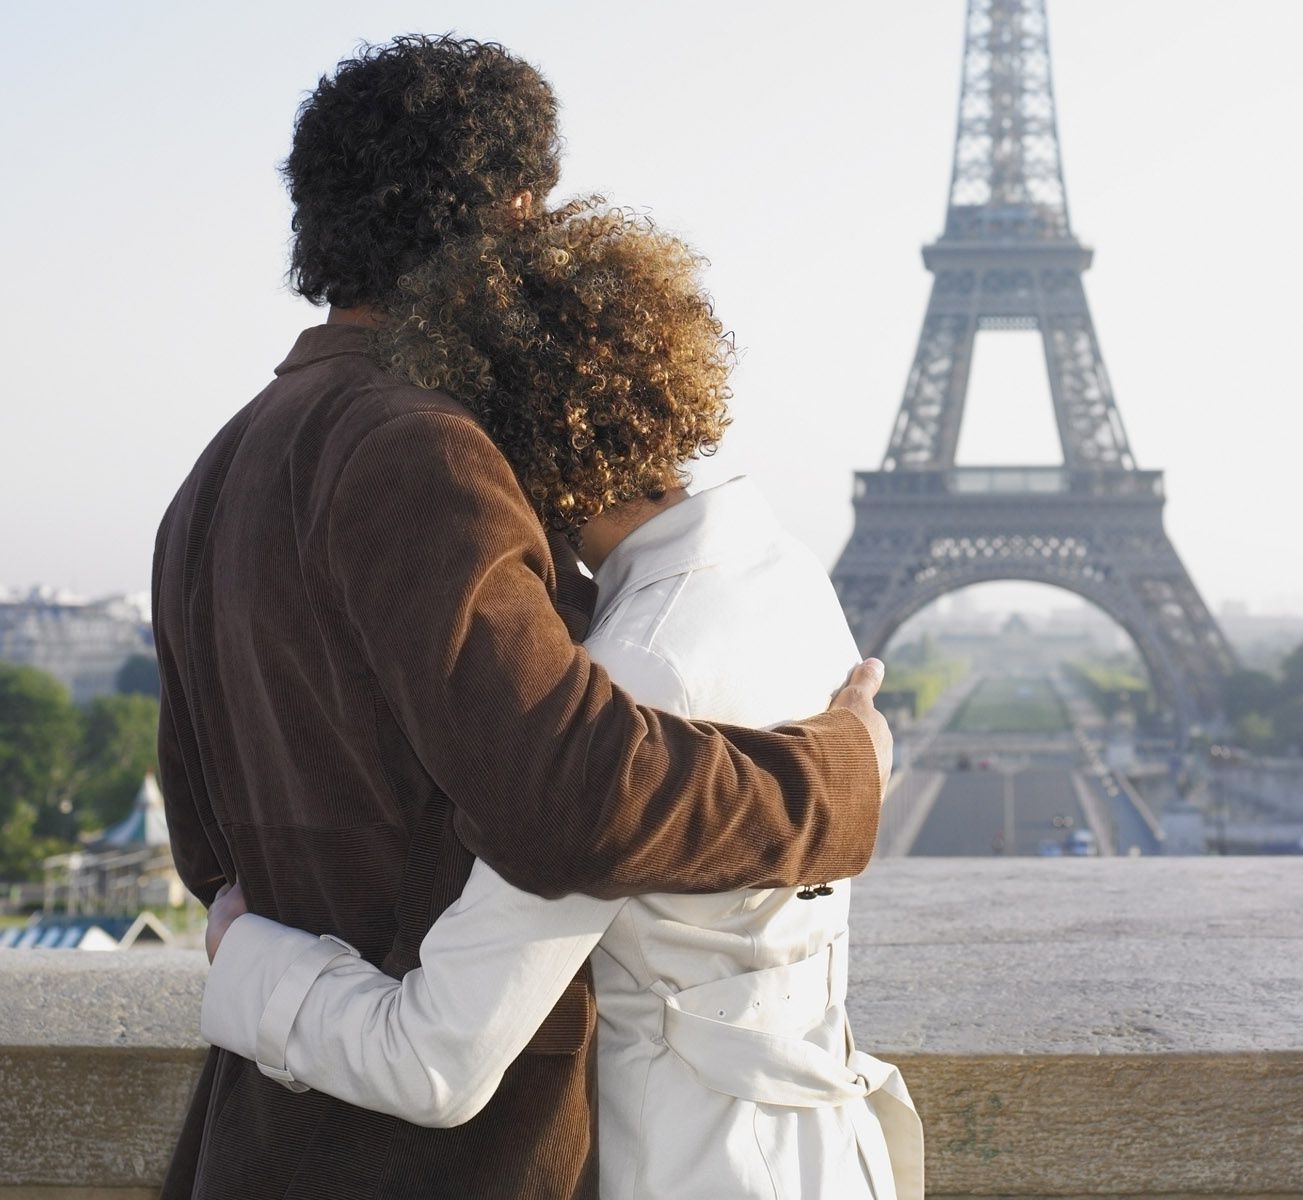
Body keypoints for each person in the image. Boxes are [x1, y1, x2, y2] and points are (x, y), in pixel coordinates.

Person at [155, 38, 890, 1200]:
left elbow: (208, 848)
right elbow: (570, 799)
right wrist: (840, 778)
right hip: (449, 1158)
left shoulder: (215, 472)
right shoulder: (423, 446)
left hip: (271, 1135)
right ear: (514, 210)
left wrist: (255, 962)